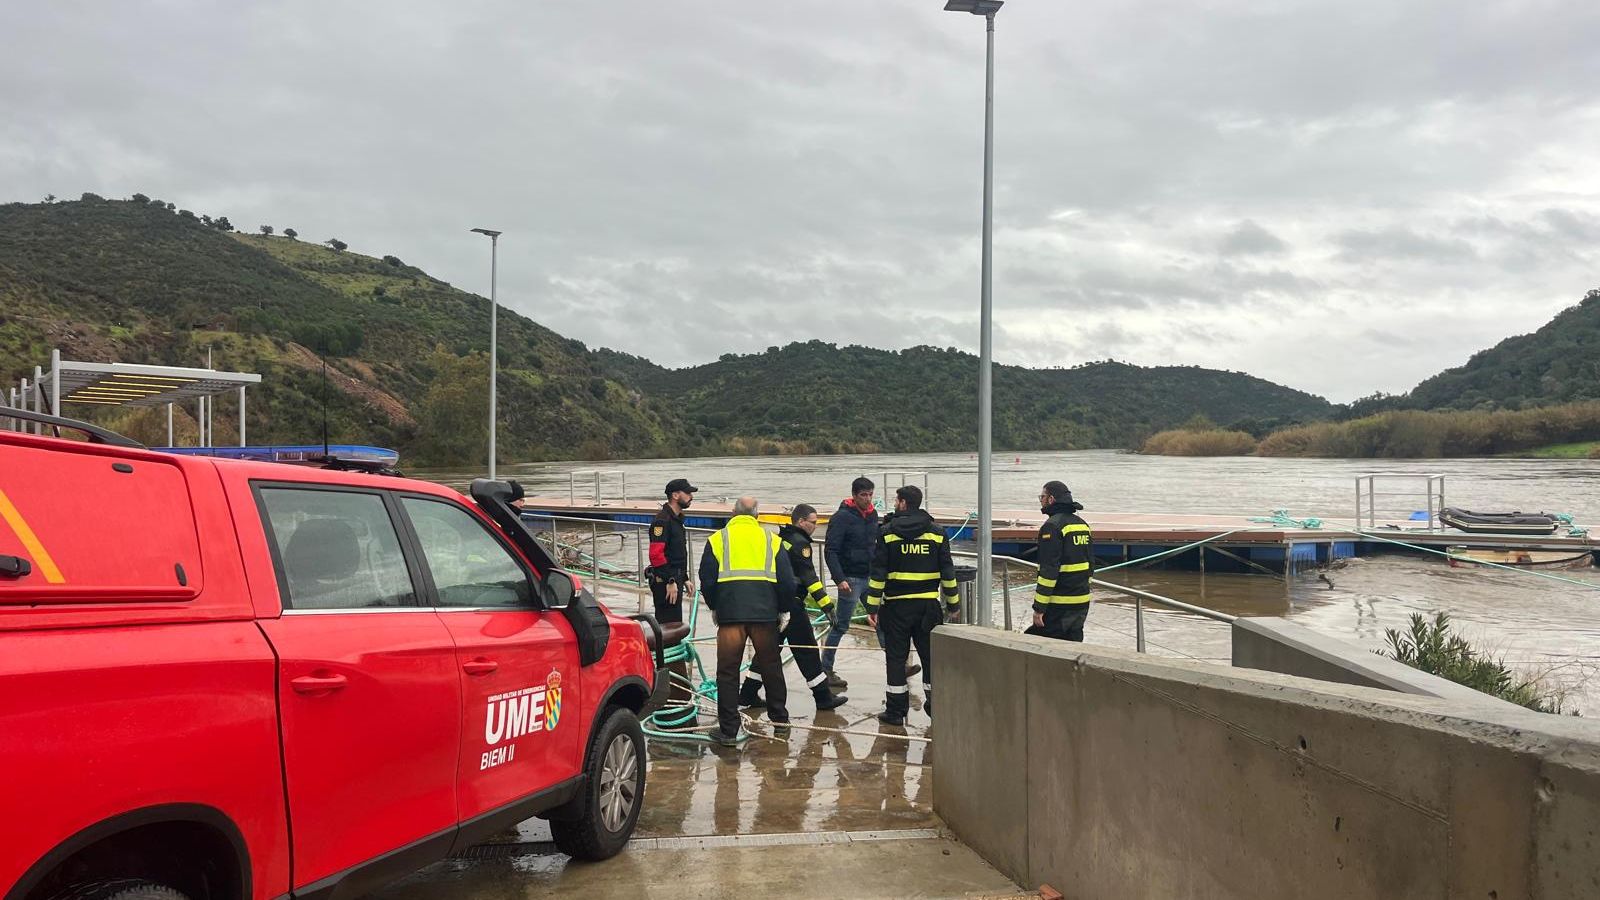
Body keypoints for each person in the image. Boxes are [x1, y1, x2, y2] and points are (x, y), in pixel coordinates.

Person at [698, 496, 794, 746]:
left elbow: (706, 579)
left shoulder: (717, 539)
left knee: (728, 672)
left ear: (732, 513)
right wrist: (784, 610)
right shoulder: (772, 540)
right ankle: (780, 722)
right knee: (771, 668)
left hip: (730, 616)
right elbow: (786, 580)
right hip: (765, 616)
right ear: (757, 515)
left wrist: (715, 606)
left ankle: (728, 731)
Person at [739, 504, 848, 712]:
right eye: (813, 522)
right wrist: (827, 605)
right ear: (800, 521)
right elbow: (809, 578)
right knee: (807, 650)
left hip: (773, 604)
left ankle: (747, 694)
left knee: (766, 652)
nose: (815, 527)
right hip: (792, 606)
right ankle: (823, 698)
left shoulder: (782, 539)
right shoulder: (800, 544)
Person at [865, 485, 958, 725]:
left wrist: (872, 608)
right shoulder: (937, 533)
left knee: (896, 659)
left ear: (904, 503)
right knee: (930, 659)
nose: (895, 504)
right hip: (928, 607)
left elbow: (878, 575)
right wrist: (954, 604)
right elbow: (948, 572)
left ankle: (896, 712)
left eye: (897, 500)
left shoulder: (886, 533)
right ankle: (936, 706)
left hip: (895, 608)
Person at [822, 477, 921, 687]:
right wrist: (839, 578)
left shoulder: (872, 515)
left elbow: (877, 543)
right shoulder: (841, 517)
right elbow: (830, 550)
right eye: (863, 495)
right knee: (841, 625)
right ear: (854, 495)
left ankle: (897, 666)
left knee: (882, 622)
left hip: (870, 577)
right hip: (850, 578)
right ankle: (826, 669)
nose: (867, 499)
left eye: (870, 495)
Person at [649, 478, 696, 717]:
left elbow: (677, 553)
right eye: (688, 493)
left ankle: (674, 678)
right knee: (668, 632)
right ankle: (668, 684)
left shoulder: (677, 520)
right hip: (665, 584)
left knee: (674, 629)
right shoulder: (662, 520)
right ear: (675, 495)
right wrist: (669, 581)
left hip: (675, 581)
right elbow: (656, 555)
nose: (691, 497)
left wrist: (685, 577)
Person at [1032, 480, 1094, 641]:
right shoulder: (1082, 525)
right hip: (1082, 602)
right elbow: (1090, 565)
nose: (1041, 500)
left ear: (1051, 499)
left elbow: (1048, 571)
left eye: (1042, 496)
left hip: (1059, 604)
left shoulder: (1052, 527)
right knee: (1073, 644)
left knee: (1039, 645)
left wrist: (1039, 608)